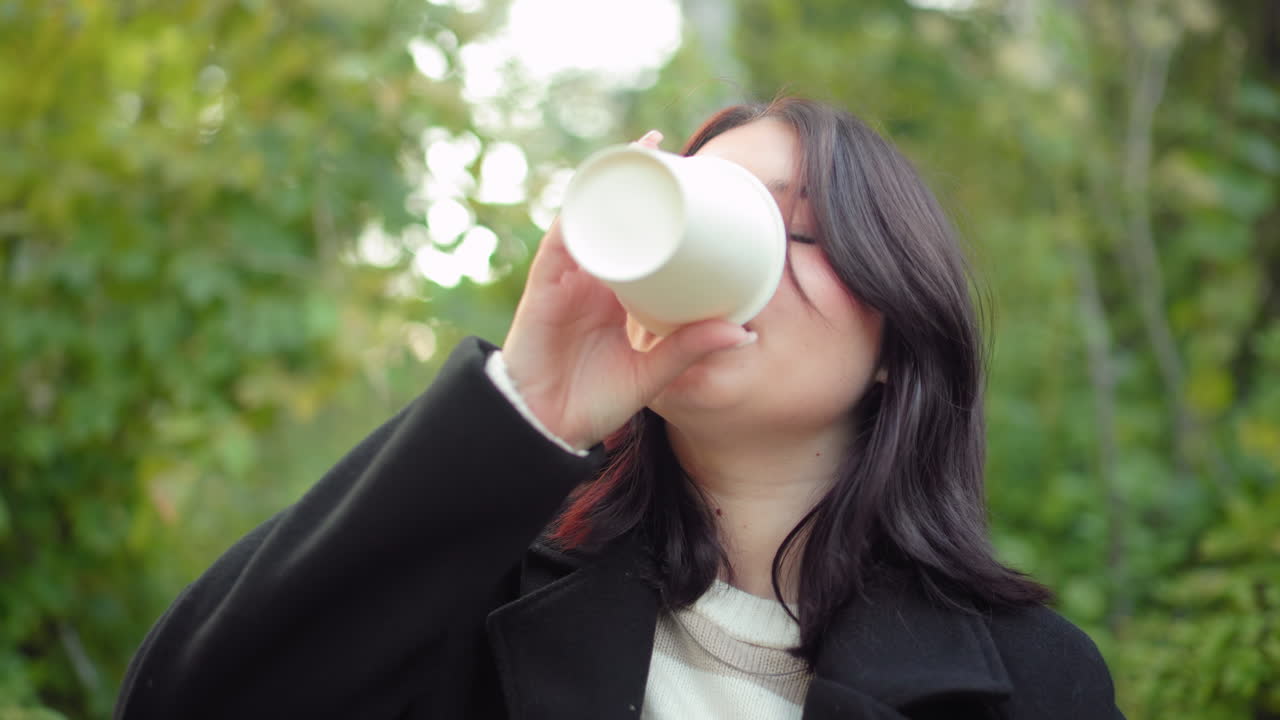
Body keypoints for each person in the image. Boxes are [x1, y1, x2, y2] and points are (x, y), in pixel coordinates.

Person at [114, 97, 1125, 720]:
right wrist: (528, 405)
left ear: (897, 347)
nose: (737, 256)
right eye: (702, 215)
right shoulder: (479, 597)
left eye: (798, 230)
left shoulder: (1033, 682)